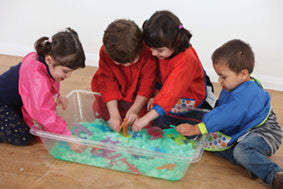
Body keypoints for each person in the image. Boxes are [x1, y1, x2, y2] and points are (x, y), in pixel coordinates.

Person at [176, 39, 283, 188]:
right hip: (244, 128)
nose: (219, 80)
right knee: (208, 143)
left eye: (223, 76)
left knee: (241, 151)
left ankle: (274, 175)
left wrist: (197, 128)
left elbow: (228, 114)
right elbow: (221, 108)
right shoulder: (233, 85)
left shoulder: (248, 93)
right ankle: (252, 164)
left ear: (243, 74)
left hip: (264, 132)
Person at [0, 28, 86, 153]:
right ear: (49, 60)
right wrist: (67, 136)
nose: (69, 76)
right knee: (22, 136)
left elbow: (50, 83)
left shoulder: (47, 64)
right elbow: (42, 110)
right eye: (66, 71)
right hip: (2, 102)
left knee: (36, 125)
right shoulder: (36, 77)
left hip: (16, 102)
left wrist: (57, 96)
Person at [132, 10, 216, 132]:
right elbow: (160, 75)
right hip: (170, 93)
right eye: (151, 49)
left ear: (175, 42)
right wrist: (156, 94)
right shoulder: (163, 49)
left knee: (191, 130)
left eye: (159, 50)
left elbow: (172, 92)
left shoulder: (186, 60)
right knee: (161, 124)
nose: (154, 53)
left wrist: (145, 119)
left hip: (193, 93)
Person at [91, 19, 156, 132]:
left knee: (143, 121)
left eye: (131, 61)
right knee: (104, 113)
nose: (126, 66)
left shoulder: (148, 52)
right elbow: (107, 83)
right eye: (119, 63)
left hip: (137, 93)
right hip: (115, 90)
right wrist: (114, 114)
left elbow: (147, 85)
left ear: (140, 49)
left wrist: (135, 109)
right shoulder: (106, 52)